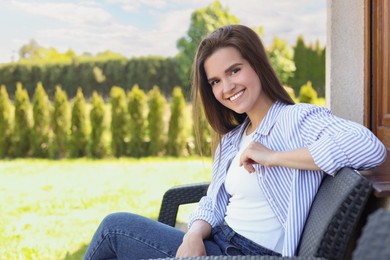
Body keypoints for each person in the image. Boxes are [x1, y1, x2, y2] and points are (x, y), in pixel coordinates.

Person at [84, 24, 386, 259]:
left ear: (257, 65)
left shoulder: (295, 119)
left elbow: (367, 147)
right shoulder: (233, 139)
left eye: (234, 70)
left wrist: (272, 157)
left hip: (246, 254)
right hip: (217, 241)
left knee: (114, 230)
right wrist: (193, 235)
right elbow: (214, 202)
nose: (227, 87)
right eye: (215, 81)